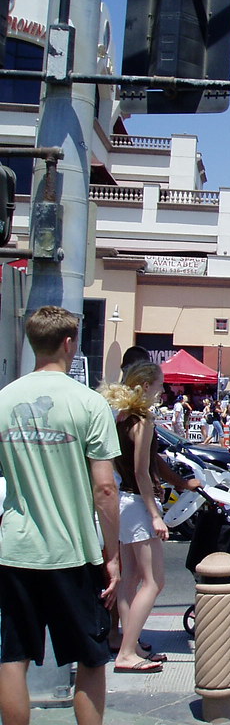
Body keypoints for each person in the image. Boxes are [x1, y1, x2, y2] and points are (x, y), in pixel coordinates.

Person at [0, 306, 121, 725]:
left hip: (16, 549)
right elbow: (105, 489)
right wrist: (112, 555)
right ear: (70, 343)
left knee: (14, 656)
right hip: (73, 552)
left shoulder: (3, 400)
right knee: (90, 657)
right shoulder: (89, 404)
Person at [100, 361, 170, 674]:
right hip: (138, 503)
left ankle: (131, 642)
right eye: (160, 385)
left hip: (121, 503)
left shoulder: (118, 417)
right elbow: (142, 472)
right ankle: (128, 651)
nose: (163, 391)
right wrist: (155, 515)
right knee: (154, 581)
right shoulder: (144, 420)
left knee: (129, 579)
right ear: (145, 387)